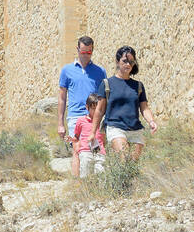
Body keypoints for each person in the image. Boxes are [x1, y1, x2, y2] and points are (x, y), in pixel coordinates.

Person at [89, 46, 158, 161]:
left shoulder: (138, 86)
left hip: (135, 129)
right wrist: (93, 132)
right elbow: (100, 110)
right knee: (124, 158)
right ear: (117, 61)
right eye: (125, 61)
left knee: (133, 165)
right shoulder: (107, 84)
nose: (128, 64)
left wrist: (151, 121)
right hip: (115, 127)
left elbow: (144, 108)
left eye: (131, 62)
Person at [58, 36, 107, 179]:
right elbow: (62, 98)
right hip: (75, 116)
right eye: (83, 52)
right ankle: (78, 185)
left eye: (89, 52)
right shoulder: (67, 70)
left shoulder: (100, 71)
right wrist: (60, 124)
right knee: (77, 149)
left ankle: (94, 183)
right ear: (77, 50)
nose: (85, 55)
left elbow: (104, 97)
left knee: (97, 150)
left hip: (95, 117)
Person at [72, 94, 106, 177]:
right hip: (85, 151)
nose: (96, 111)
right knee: (85, 173)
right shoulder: (81, 121)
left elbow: (104, 138)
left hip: (100, 152)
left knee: (101, 174)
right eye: (93, 108)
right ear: (87, 107)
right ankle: (85, 188)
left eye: (98, 108)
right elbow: (76, 136)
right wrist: (76, 147)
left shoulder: (103, 121)